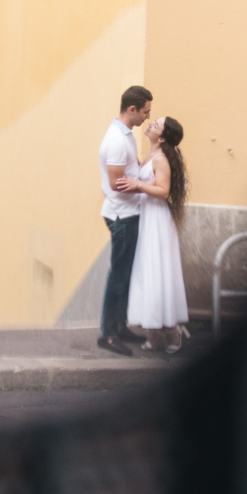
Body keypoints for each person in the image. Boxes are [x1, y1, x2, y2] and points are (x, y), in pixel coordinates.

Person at [120, 116, 190, 353]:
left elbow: (163, 191)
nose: (150, 124)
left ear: (161, 138)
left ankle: (173, 333)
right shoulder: (150, 157)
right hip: (146, 218)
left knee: (158, 270)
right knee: (148, 271)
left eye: (156, 124)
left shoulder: (161, 160)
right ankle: (155, 334)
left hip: (157, 221)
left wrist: (138, 185)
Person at [97, 85, 153, 355]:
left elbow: (132, 168)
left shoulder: (126, 134)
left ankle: (120, 327)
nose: (147, 117)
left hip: (129, 212)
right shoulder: (117, 141)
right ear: (132, 109)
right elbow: (117, 183)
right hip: (122, 215)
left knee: (125, 274)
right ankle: (108, 335)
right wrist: (144, 186)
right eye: (145, 112)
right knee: (118, 276)